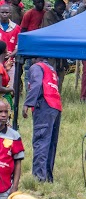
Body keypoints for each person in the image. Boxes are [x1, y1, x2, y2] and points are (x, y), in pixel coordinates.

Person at [20, 58, 59, 186]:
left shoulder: (36, 67)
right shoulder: (51, 68)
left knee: (41, 140)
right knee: (50, 143)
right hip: (56, 106)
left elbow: (36, 84)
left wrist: (28, 103)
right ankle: (48, 176)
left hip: (44, 106)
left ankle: (38, 178)